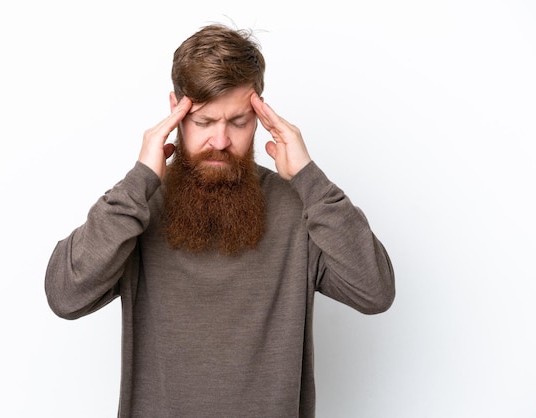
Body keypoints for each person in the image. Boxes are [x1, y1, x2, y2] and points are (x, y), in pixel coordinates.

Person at [45, 23, 395, 418]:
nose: (221, 141)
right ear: (175, 112)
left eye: (239, 122)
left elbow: (375, 292)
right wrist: (139, 179)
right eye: (204, 122)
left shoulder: (300, 207)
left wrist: (309, 178)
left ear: (261, 113)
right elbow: (64, 296)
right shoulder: (136, 207)